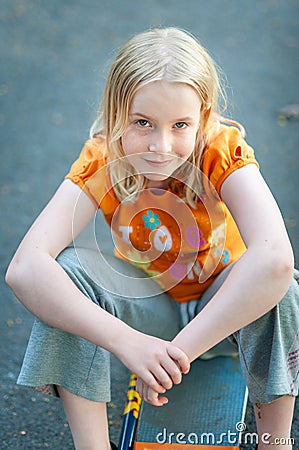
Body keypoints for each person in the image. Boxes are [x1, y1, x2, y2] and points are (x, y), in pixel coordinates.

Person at [6, 27, 298, 450]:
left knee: (282, 288)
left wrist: (174, 357)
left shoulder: (219, 148)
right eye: (142, 123)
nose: (161, 146)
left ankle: (277, 443)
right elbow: (25, 268)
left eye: (181, 125)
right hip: (150, 311)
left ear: (205, 115)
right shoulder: (103, 158)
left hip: (225, 311)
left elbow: (274, 259)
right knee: (65, 277)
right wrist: (130, 344)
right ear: (115, 113)